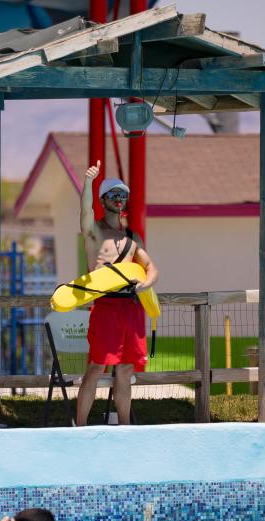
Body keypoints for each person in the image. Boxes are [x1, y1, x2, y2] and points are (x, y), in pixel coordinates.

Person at [76, 161, 159, 426]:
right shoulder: (94, 232)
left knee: (125, 369)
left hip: (131, 308)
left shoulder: (133, 237)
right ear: (103, 200)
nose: (119, 199)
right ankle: (80, 426)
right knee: (96, 366)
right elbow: (84, 211)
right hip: (106, 307)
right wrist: (88, 182)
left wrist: (147, 282)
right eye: (113, 195)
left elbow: (151, 267)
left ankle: (125, 427)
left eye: (123, 195)